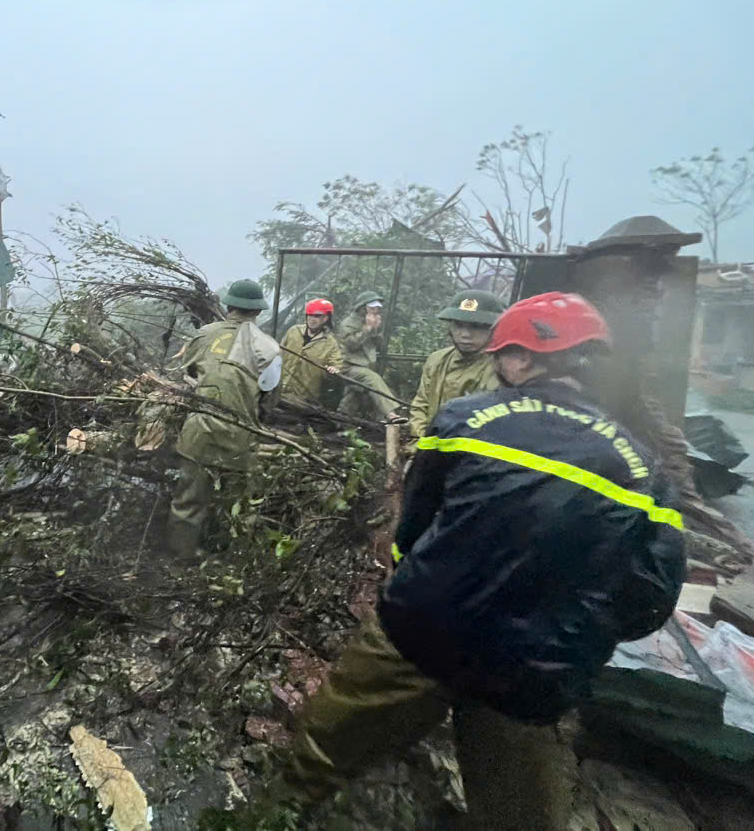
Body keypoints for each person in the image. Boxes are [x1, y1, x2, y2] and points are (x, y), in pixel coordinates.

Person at [284, 292, 686, 829]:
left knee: (322, 750)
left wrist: (418, 580)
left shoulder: (463, 419)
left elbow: (412, 529)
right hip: (536, 665)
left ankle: (280, 810)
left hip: (425, 627)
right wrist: (577, 627)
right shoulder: (645, 469)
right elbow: (652, 597)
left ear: (519, 358)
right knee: (519, 813)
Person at [168, 279, 282, 558]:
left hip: (199, 432)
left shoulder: (203, 335)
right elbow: (270, 401)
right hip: (239, 438)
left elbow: (187, 375)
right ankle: (227, 558)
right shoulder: (270, 348)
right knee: (236, 504)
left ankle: (180, 557)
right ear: (258, 311)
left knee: (187, 500)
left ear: (228, 305)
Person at [408, 289, 505, 439]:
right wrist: (422, 441)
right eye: (458, 325)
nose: (465, 334)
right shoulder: (437, 359)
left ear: (493, 329)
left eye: (476, 326)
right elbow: (420, 405)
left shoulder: (501, 368)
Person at [337, 292, 400, 420]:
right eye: (371, 307)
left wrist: (375, 329)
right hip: (349, 367)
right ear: (362, 307)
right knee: (373, 379)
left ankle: (341, 421)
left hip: (367, 366)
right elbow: (351, 345)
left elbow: (378, 345)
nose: (375, 310)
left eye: (377, 308)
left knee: (354, 395)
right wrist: (367, 329)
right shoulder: (348, 323)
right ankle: (391, 414)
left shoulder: (371, 320)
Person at [279, 298, 344, 405]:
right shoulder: (294, 331)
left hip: (305, 398)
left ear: (326, 318)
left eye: (317, 316)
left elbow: (336, 364)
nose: (312, 319)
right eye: (310, 315)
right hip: (280, 389)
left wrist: (333, 369)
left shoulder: (330, 343)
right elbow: (279, 353)